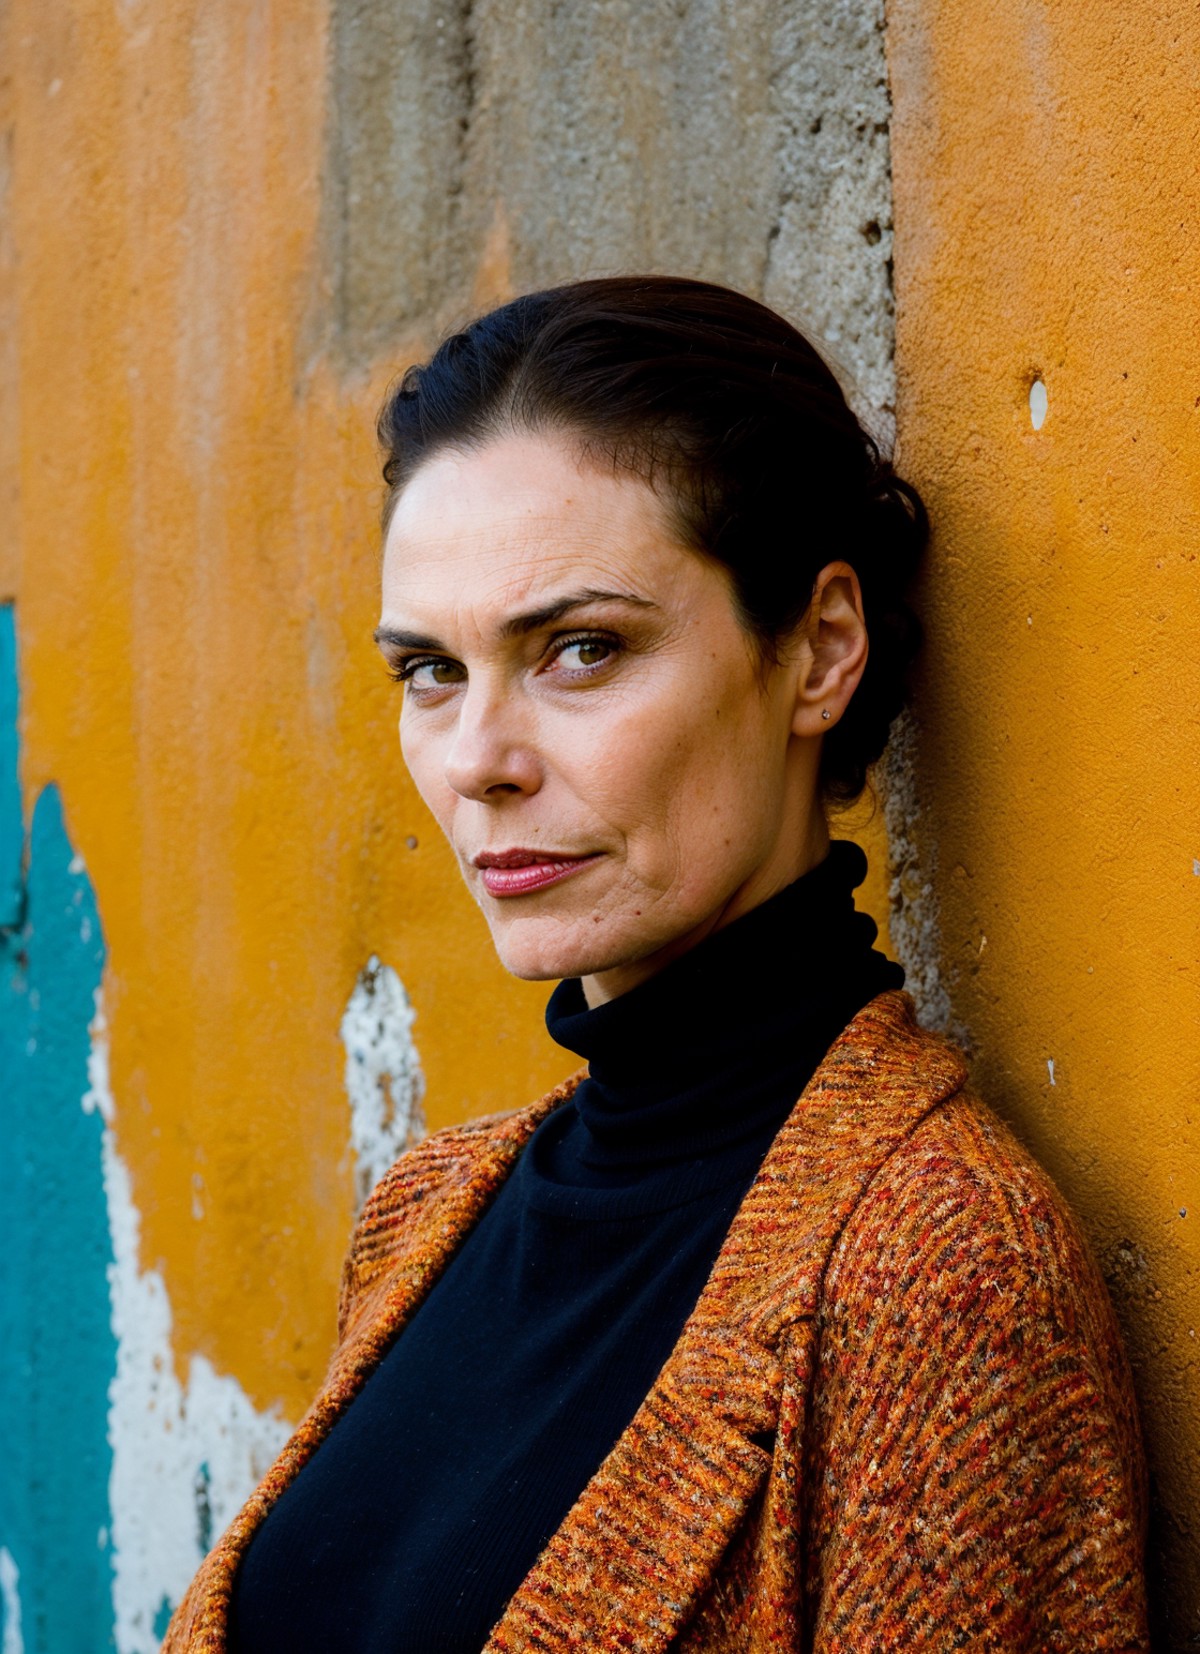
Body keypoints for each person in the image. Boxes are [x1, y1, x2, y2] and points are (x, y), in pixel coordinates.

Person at [165, 277, 1149, 1652]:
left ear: (819, 653)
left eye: (580, 649)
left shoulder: (939, 1271)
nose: (477, 763)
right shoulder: (426, 1210)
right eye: (430, 671)